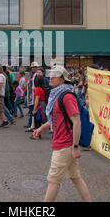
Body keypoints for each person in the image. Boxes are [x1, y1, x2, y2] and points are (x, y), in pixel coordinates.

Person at [33, 65, 92, 202]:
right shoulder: (57, 95)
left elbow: (77, 122)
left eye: (54, 75)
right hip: (64, 144)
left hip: (64, 145)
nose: (50, 77)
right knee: (75, 177)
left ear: (62, 79)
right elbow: (56, 118)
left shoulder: (67, 96)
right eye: (50, 74)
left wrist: (76, 147)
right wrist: (41, 128)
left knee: (53, 181)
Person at [29, 74, 46, 139]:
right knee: (38, 121)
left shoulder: (37, 89)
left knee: (37, 122)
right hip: (42, 106)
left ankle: (37, 135)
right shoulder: (42, 88)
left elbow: (37, 99)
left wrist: (35, 108)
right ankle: (37, 134)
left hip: (39, 107)